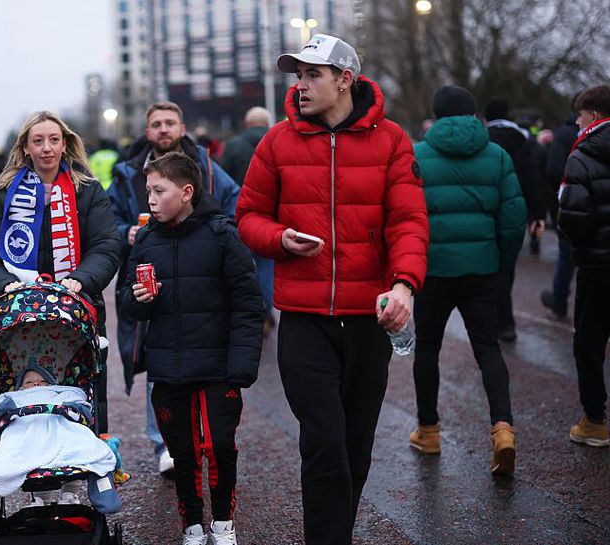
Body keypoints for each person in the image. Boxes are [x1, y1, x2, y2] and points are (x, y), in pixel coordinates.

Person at [236, 34, 429, 545]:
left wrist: (405, 285)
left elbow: (409, 222)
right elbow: (248, 216)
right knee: (323, 441)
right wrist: (279, 238)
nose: (300, 85)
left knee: (355, 445)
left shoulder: (391, 141)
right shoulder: (276, 141)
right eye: (297, 75)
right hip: (304, 320)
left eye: (312, 75)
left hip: (370, 318)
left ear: (345, 79)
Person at [119, 152, 263, 545]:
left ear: (186, 193)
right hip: (168, 366)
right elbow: (127, 305)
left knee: (217, 447)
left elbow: (249, 305)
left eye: (158, 191)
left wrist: (242, 365)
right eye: (147, 190)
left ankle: (223, 523)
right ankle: (193, 526)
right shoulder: (146, 239)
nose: (149, 199)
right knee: (182, 453)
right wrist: (138, 299)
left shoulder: (222, 235)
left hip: (218, 366)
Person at [107, 101, 241, 475]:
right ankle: (163, 444)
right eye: (156, 124)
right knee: (157, 357)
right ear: (147, 132)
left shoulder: (207, 168)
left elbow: (234, 203)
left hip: (201, 275)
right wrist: (125, 233)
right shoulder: (126, 173)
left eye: (170, 123)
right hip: (150, 272)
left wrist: (217, 237)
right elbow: (107, 219)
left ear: (182, 128)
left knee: (204, 353)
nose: (163, 129)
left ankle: (203, 438)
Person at [0, 111, 122, 433]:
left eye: (54, 140)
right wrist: (3, 285)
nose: (46, 148)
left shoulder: (87, 190)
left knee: (84, 386)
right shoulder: (4, 192)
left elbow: (107, 244)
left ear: (65, 145)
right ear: (26, 148)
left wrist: (81, 280)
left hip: (77, 305)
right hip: (21, 311)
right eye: (38, 141)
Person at [410, 85, 527, 475]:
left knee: (426, 349)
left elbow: (406, 215)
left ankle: (429, 431)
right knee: (488, 350)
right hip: (482, 271)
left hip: (433, 270)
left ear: (437, 113)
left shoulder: (418, 155)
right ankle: (503, 429)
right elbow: (513, 218)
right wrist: (500, 263)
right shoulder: (497, 155)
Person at [0, 366, 119, 508]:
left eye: (42, 381)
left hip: (59, 424)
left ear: (52, 385)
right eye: (29, 382)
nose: (36, 384)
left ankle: (69, 496)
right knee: (22, 445)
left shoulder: (62, 394)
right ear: (20, 388)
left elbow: (80, 406)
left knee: (76, 444)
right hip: (26, 428)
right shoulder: (14, 397)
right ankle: (40, 500)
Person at [557, 85, 610, 448]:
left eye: (580, 115)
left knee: (589, 343)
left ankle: (594, 421)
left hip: (598, 265)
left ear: (592, 115)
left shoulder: (582, 155)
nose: (577, 121)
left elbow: (575, 218)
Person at [485, 98, 546, 341]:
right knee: (506, 267)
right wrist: (538, 214)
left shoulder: (481, 139)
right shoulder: (525, 141)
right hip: (516, 210)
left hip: (488, 210)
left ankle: (496, 321)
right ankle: (505, 322)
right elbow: (534, 179)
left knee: (487, 267)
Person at [220, 106, 277, 329]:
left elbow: (222, 177)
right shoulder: (277, 141)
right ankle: (266, 311)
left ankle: (250, 312)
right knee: (266, 266)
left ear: (246, 123)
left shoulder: (233, 146)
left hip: (242, 213)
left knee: (243, 265)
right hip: (273, 214)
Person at [541, 97, 582, 318]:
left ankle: (559, 300)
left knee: (566, 254)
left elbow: (554, 169)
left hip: (571, 203)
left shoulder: (564, 132)